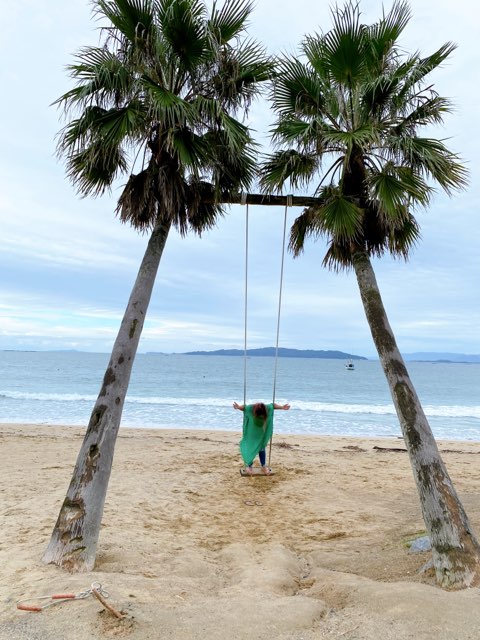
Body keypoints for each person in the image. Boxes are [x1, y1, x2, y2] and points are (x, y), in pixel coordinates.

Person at [233, 401, 290, 475]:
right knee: (250, 448)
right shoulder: (251, 408)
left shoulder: (267, 408)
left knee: (262, 448)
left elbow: (273, 405)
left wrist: (282, 407)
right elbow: (244, 407)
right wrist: (239, 407)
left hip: (262, 432)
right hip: (252, 432)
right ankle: (249, 466)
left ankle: (263, 466)